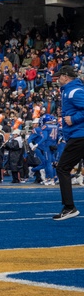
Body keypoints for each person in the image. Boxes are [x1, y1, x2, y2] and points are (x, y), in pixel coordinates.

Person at [54, 65, 84, 220]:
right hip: (78, 135)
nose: (58, 79)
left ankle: (69, 207)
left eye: (60, 76)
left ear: (66, 76)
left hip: (79, 136)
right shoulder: (70, 91)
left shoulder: (74, 91)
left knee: (63, 168)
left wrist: (73, 119)